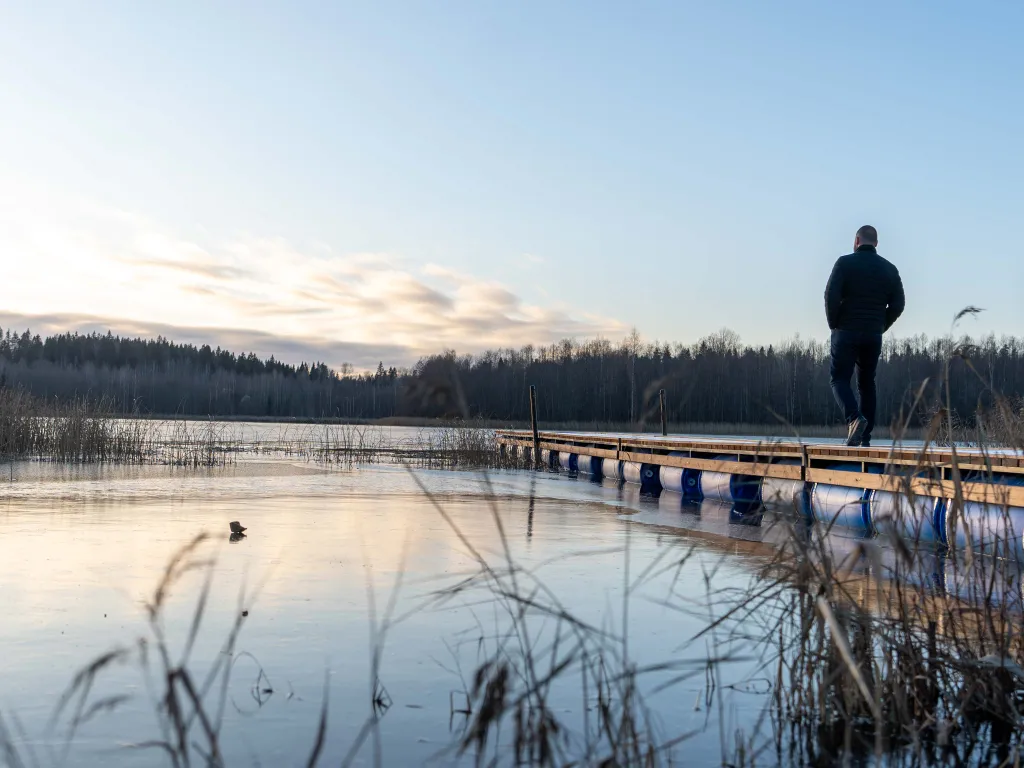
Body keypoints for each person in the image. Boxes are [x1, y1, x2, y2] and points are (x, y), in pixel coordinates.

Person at [824, 225, 905, 446]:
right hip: (872, 334)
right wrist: (881, 325)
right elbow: (899, 304)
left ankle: (854, 419)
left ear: (857, 240)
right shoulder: (889, 269)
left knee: (839, 379)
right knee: (867, 383)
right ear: (876, 243)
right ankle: (865, 437)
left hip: (846, 331)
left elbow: (830, 296)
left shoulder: (844, 263)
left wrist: (834, 324)